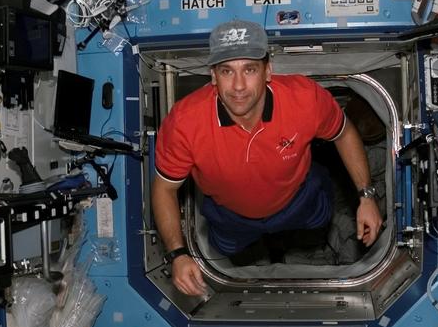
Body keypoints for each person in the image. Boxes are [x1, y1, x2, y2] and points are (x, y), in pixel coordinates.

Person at [152, 19, 383, 296]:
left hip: (299, 200)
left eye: (249, 69)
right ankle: (267, 247)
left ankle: (289, 239)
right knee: (228, 248)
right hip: (232, 217)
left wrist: (366, 197)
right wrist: (177, 254)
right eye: (227, 71)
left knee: (320, 220)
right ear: (213, 75)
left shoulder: (305, 99)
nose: (238, 86)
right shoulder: (184, 122)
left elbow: (344, 133)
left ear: (268, 71)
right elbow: (165, 188)